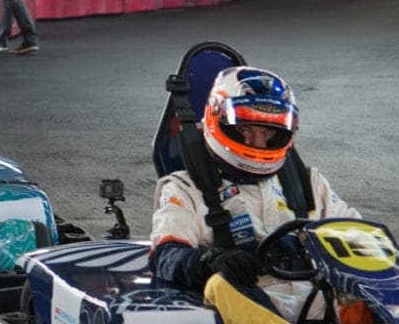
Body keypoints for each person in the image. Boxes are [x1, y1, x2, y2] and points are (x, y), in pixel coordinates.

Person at [149, 67, 361, 324]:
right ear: (219, 120)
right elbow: (166, 256)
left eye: (269, 131)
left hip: (317, 296)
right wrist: (211, 260)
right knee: (219, 284)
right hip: (250, 299)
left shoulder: (307, 181)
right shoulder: (185, 188)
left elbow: (359, 236)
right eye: (247, 128)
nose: (258, 143)